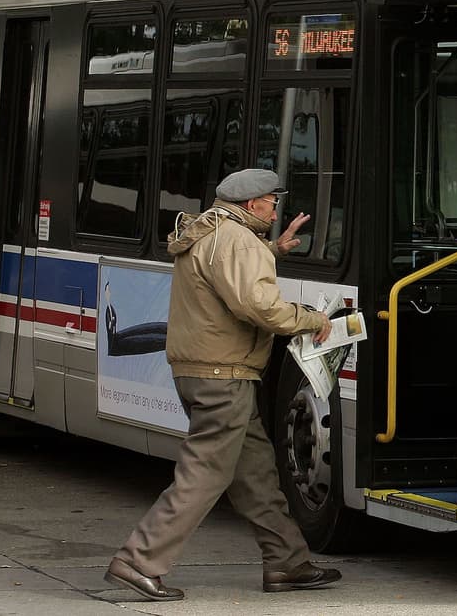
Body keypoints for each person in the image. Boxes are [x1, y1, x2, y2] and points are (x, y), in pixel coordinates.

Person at [105, 168, 339, 602]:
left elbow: (228, 273)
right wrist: (312, 318)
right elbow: (259, 306)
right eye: (272, 201)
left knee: (256, 475)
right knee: (204, 474)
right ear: (252, 204)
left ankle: (287, 563)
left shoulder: (212, 231)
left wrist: (273, 249)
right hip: (223, 377)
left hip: (202, 372)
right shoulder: (238, 241)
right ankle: (138, 561)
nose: (275, 208)